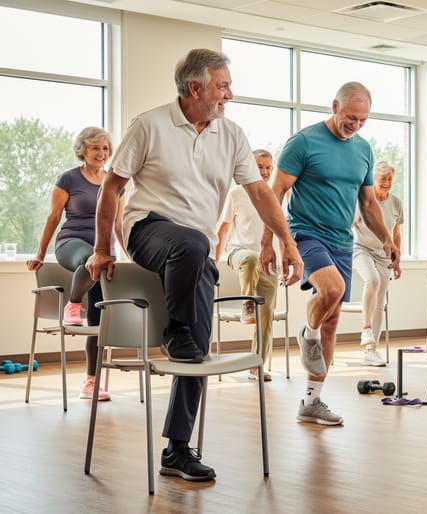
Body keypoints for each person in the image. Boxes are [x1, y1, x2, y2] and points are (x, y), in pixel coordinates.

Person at [86, 48, 302, 482]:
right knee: (192, 245)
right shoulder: (149, 125)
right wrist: (103, 247)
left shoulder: (232, 134)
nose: (230, 94)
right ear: (195, 87)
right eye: (223, 86)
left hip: (193, 252)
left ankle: (177, 448)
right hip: (148, 228)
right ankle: (175, 332)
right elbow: (112, 186)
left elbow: (260, 193)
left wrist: (287, 242)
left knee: (198, 344)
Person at [261, 81, 399, 427]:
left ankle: (312, 401)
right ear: (334, 106)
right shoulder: (304, 142)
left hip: (341, 239)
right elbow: (274, 193)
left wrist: (386, 238)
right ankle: (306, 333)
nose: (354, 125)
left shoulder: (363, 150)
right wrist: (270, 242)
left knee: (334, 321)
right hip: (304, 233)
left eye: (362, 120)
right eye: (350, 117)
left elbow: (367, 203)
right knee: (332, 289)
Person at [26, 127, 123, 402]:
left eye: (105, 148)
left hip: (104, 257)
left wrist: (130, 254)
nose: (101, 153)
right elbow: (53, 217)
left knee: (99, 322)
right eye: (95, 148)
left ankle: (91, 382)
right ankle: (73, 303)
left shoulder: (115, 182)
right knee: (88, 259)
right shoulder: (69, 178)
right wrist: (40, 253)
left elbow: (118, 225)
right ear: (83, 150)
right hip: (72, 244)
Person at [214, 149, 279, 381]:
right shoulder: (237, 193)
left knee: (266, 314)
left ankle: (257, 365)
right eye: (259, 166)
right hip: (238, 252)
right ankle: (246, 304)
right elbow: (223, 229)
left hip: (269, 261)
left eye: (268, 167)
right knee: (250, 257)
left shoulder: (277, 194)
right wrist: (214, 261)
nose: (264, 171)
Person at [352, 160, 403, 367]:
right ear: (374, 179)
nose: (387, 182)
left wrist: (396, 258)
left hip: (384, 255)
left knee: (380, 304)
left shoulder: (396, 202)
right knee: (371, 280)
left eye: (390, 178)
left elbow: (396, 233)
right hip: (361, 249)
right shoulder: (363, 199)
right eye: (383, 178)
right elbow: (350, 223)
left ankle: (371, 351)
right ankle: (366, 329)